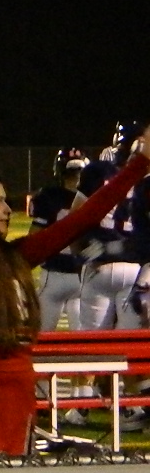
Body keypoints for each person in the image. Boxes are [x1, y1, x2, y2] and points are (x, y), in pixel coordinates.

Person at [0, 99, 149, 455]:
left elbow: (84, 217)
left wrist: (140, 164)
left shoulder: (17, 256)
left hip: (19, 392)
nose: (7, 209)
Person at [74, 124, 142, 332]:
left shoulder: (97, 171)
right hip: (135, 268)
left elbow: (74, 220)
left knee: (93, 342)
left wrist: (83, 255)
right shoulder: (145, 181)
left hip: (99, 264)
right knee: (130, 342)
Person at [28, 148, 90, 333]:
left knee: (40, 336)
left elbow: (34, 236)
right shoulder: (92, 195)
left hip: (55, 275)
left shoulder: (48, 196)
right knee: (83, 338)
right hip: (83, 276)